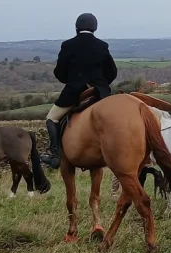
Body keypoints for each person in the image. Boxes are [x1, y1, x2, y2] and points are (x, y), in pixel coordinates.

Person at [44, 13, 117, 168]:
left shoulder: (68, 45)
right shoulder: (102, 45)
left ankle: (55, 154)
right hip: (100, 93)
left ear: (77, 27)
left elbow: (60, 72)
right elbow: (112, 72)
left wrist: (71, 81)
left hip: (74, 92)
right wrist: (101, 85)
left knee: (51, 118)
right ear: (94, 28)